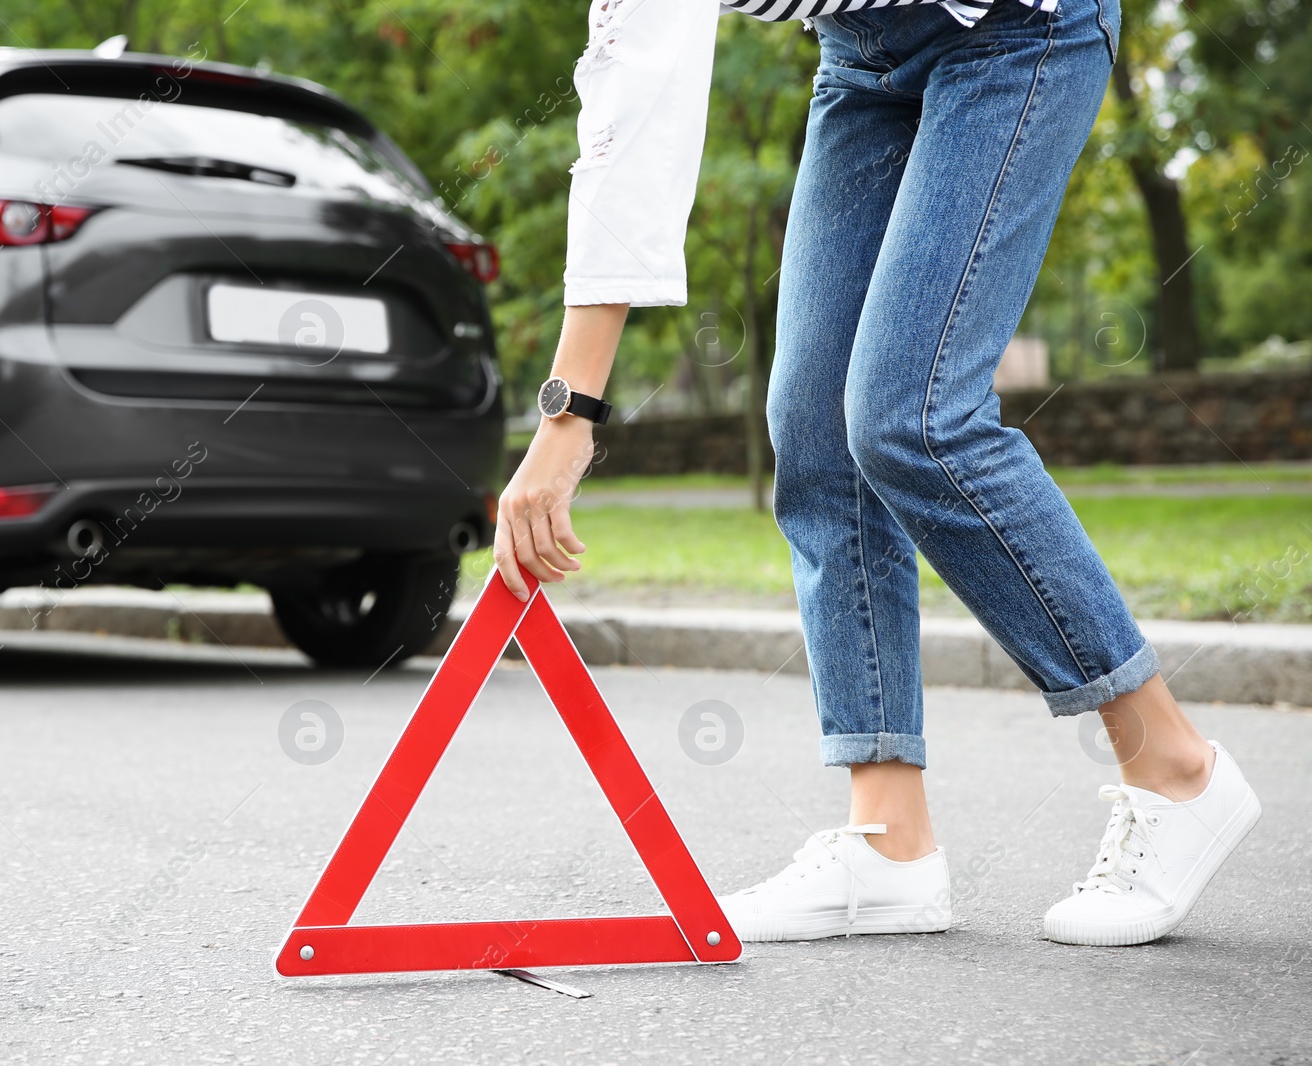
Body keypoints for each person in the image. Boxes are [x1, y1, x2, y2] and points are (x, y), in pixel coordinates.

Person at [493, 0, 1259, 947]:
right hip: (861, 56)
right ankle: (889, 841)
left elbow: (643, 110)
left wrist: (572, 418)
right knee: (814, 433)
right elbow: (628, 109)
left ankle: (1175, 765)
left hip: (1019, 26)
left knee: (913, 417)